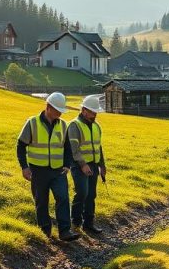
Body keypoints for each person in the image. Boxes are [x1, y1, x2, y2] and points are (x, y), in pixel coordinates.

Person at [16, 92, 79, 241]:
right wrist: (24, 167)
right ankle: (45, 231)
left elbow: (68, 148)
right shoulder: (32, 123)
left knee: (63, 198)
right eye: (58, 110)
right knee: (41, 201)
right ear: (49, 107)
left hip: (58, 171)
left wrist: (67, 165)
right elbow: (20, 146)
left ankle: (65, 231)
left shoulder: (63, 125)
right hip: (38, 171)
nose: (60, 114)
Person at [68, 95, 107, 234]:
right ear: (84, 110)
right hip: (79, 166)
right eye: (92, 112)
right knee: (82, 193)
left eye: (96, 112)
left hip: (93, 165)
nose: (94, 115)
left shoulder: (96, 126)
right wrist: (83, 165)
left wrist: (102, 165)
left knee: (91, 195)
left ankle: (88, 224)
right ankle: (75, 223)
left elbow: (98, 147)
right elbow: (74, 148)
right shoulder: (74, 125)